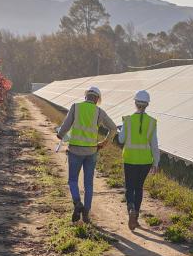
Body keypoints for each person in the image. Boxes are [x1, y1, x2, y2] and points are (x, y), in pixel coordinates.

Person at [57, 86, 117, 224]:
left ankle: (77, 203)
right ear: (97, 99)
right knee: (88, 183)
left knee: (72, 180)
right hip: (91, 152)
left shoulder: (76, 107)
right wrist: (104, 143)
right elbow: (113, 128)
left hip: (75, 151)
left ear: (86, 97)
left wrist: (60, 134)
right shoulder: (99, 112)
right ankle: (86, 213)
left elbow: (66, 125)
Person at [118, 90, 160, 231]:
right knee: (139, 188)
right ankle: (135, 218)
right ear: (147, 104)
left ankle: (131, 209)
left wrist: (121, 131)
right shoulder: (152, 122)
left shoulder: (128, 120)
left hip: (130, 159)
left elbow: (121, 139)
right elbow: (154, 144)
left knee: (130, 187)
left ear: (135, 103)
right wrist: (156, 162)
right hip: (145, 161)